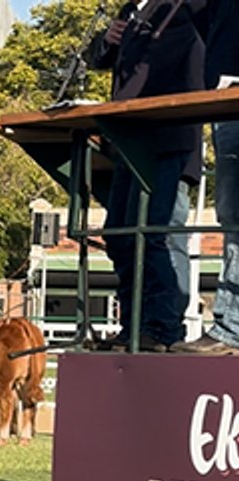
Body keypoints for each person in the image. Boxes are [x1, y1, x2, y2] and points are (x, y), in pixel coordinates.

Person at [86, 0, 205, 351]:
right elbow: (98, 59)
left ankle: (164, 327)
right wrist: (107, 39)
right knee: (120, 234)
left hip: (171, 134)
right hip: (129, 139)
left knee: (159, 233)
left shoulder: (189, 6)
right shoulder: (131, 10)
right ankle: (133, 325)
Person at [173, 2, 239, 354]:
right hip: (226, 100)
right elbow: (204, 20)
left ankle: (232, 327)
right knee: (231, 211)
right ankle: (231, 326)